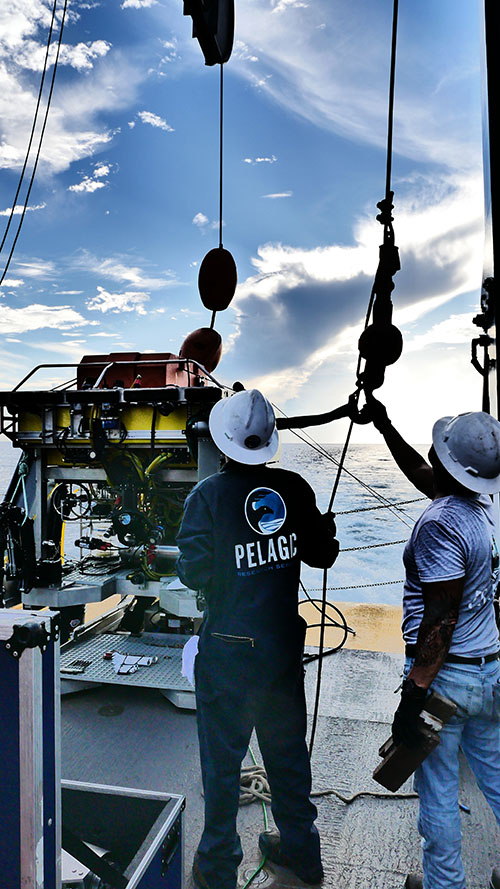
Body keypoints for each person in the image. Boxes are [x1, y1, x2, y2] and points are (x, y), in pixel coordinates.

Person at [176, 388, 339, 889]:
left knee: (222, 766)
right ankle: (301, 852)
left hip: (228, 652)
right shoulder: (294, 488)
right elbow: (323, 555)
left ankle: (220, 865)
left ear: (223, 444)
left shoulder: (204, 497)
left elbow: (192, 573)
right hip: (282, 651)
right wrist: (319, 531)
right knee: (288, 756)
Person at [361, 395, 500, 889]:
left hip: (447, 682)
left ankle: (444, 885)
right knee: (498, 781)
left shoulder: (440, 524)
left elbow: (440, 621)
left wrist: (414, 694)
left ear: (448, 463)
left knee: (438, 793)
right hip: (488, 672)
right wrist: (384, 424)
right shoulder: (481, 508)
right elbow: (423, 474)